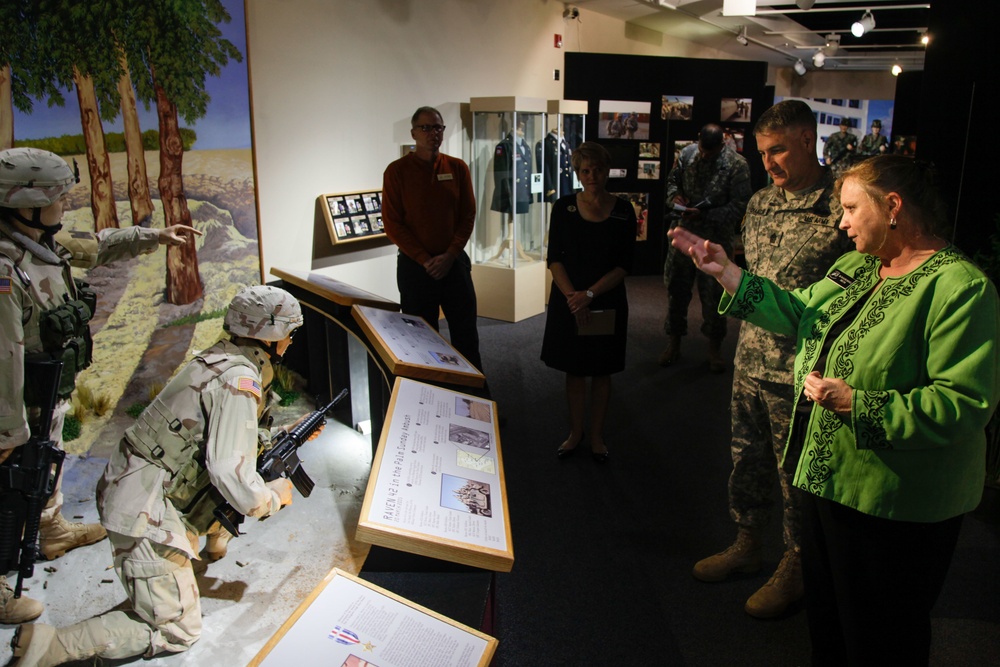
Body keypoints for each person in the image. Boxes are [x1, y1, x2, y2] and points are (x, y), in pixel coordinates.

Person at [669, 155, 999, 665]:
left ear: (892, 206)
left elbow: (963, 403)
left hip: (896, 503)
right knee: (830, 622)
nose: (840, 222)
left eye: (849, 208)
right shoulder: (856, 266)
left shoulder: (960, 288)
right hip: (830, 480)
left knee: (884, 634)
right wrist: (730, 274)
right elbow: (801, 311)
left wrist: (858, 403)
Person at [8, 285, 306, 666]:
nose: (291, 341)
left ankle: (188, 551)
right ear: (272, 334)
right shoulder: (239, 380)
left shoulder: (220, 358)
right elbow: (231, 475)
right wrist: (273, 497)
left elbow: (218, 445)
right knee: (178, 630)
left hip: (137, 483)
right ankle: (51, 645)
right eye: (289, 333)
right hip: (142, 509)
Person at [0, 147, 200, 625]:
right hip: (13, 406)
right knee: (7, 490)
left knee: (44, 467)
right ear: (24, 203)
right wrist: (6, 433)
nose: (65, 204)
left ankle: (51, 530)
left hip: (42, 396)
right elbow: (3, 355)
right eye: (56, 197)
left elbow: (98, 244)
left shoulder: (39, 243)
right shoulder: (7, 267)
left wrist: (154, 235)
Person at [690, 100, 854, 618]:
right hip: (751, 357)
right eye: (762, 152)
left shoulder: (840, 206)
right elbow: (753, 272)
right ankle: (747, 541)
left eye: (778, 149)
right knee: (747, 457)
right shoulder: (760, 202)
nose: (769, 163)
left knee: (795, 473)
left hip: (805, 369)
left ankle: (798, 562)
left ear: (808, 140)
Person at [540, 142, 636, 463]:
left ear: (607, 171)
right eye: (585, 170)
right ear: (578, 173)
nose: (592, 175)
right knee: (575, 369)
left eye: (597, 169)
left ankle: (596, 436)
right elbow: (554, 259)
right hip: (570, 302)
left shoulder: (624, 210)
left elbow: (625, 264)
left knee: (602, 370)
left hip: (605, 300)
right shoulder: (563, 207)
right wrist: (574, 298)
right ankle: (575, 433)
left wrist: (590, 295)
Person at [382, 107, 483, 373]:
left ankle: (478, 400)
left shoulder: (457, 168)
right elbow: (393, 224)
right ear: (413, 132)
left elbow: (468, 215)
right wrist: (425, 259)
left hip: (454, 265)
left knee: (466, 337)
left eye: (438, 127)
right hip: (417, 269)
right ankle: (429, 401)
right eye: (425, 128)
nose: (432, 133)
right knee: (422, 340)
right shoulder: (397, 172)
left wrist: (449, 255)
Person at [659, 124, 751, 372]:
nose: (706, 156)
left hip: (714, 243)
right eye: (703, 150)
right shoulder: (687, 154)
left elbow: (740, 206)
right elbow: (671, 183)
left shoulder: (737, 165)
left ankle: (714, 350)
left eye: (712, 151)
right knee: (676, 290)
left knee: (714, 298)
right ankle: (673, 343)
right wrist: (674, 198)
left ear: (723, 143)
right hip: (683, 238)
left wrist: (707, 215)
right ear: (698, 140)